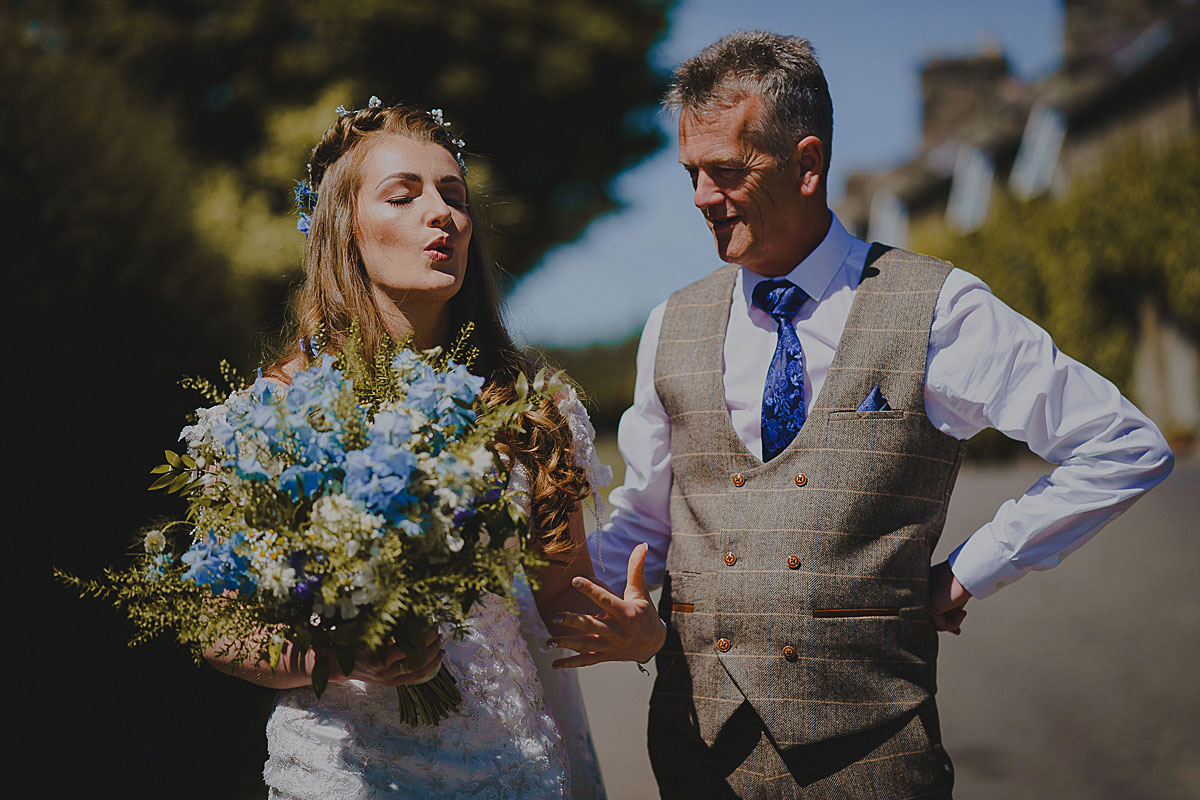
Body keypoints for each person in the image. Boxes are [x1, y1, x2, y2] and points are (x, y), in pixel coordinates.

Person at [577, 32, 1175, 799]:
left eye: (726, 170)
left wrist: (970, 571)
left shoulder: (937, 307)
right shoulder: (671, 324)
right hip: (694, 750)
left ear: (807, 163)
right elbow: (645, 523)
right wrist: (528, 600)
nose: (699, 197)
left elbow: (1122, 444)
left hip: (873, 758)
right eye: (691, 172)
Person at [203, 99, 664, 800]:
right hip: (339, 774)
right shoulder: (278, 412)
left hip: (504, 769)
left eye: (454, 196)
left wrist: (635, 636)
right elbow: (217, 627)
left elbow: (560, 599)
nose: (442, 213)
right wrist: (340, 654)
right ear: (343, 229)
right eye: (403, 194)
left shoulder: (529, 408)